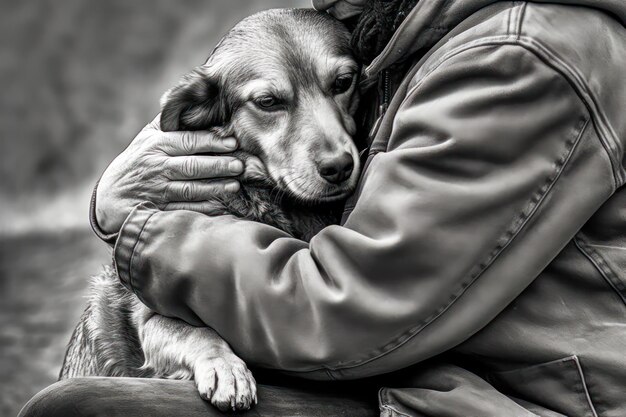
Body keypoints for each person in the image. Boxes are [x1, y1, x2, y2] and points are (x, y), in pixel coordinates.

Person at [20, 0, 626, 416]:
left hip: (506, 398)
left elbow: (343, 312)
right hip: (431, 374)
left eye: (342, 86)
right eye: (271, 104)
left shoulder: (516, 54)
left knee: (77, 410)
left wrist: (136, 225)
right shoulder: (404, 40)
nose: (335, 149)